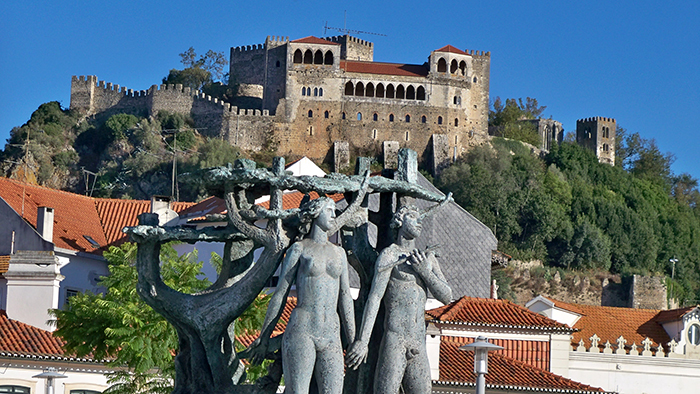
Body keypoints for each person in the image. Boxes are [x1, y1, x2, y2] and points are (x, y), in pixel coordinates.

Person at [243, 197, 355, 394]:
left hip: (331, 332)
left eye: (333, 211)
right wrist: (264, 336)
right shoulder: (300, 249)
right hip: (303, 329)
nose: (333, 215)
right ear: (315, 213)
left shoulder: (339, 253)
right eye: (328, 210)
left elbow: (346, 297)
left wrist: (354, 339)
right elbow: (281, 293)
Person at [346, 204, 452, 394]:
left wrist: (424, 273)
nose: (419, 221)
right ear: (400, 221)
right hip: (395, 340)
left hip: (418, 341)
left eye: (420, 218)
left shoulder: (427, 258)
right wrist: (363, 341)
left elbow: (447, 296)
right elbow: (375, 299)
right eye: (413, 216)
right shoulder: (390, 255)